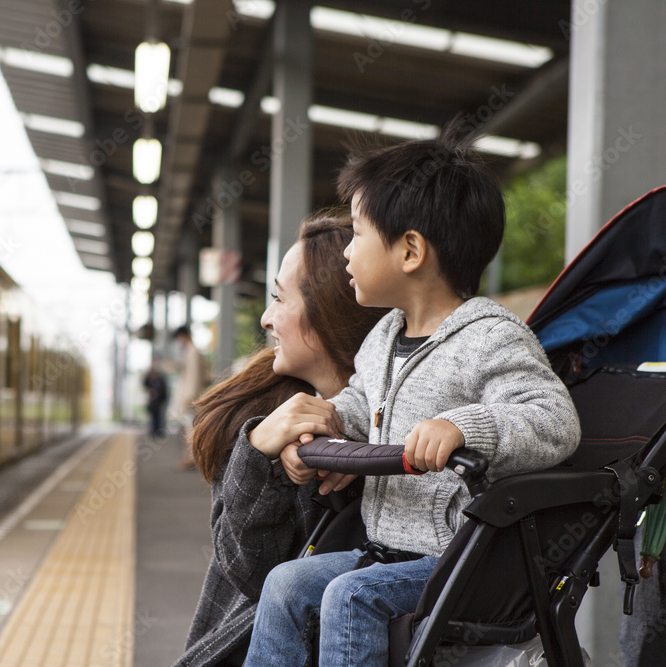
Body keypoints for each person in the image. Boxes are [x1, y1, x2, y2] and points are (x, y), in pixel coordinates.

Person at [244, 131, 582, 666]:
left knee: (349, 596)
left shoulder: (491, 336)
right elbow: (361, 406)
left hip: (459, 560)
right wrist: (321, 432)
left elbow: (553, 419)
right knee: (287, 583)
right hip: (386, 552)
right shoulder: (384, 336)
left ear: (410, 250)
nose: (347, 251)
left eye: (356, 234)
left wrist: (465, 427)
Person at [175, 212, 387, 667]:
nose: (267, 319)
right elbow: (251, 573)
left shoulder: (399, 435)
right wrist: (257, 452)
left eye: (278, 298)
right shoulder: (258, 416)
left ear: (330, 313)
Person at [174, 324, 210, 469]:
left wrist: (190, 396)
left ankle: (192, 458)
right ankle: (190, 457)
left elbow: (194, 376)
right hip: (189, 395)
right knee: (190, 427)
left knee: (190, 428)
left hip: (190, 397)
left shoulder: (193, 351)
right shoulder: (190, 351)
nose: (179, 341)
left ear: (184, 335)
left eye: (179, 337)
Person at [143, 355, 169, 437]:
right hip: (153, 400)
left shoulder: (161, 375)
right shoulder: (150, 374)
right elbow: (145, 384)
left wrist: (164, 397)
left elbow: (164, 388)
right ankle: (154, 431)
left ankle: (159, 431)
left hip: (160, 399)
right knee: (153, 416)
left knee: (160, 415)